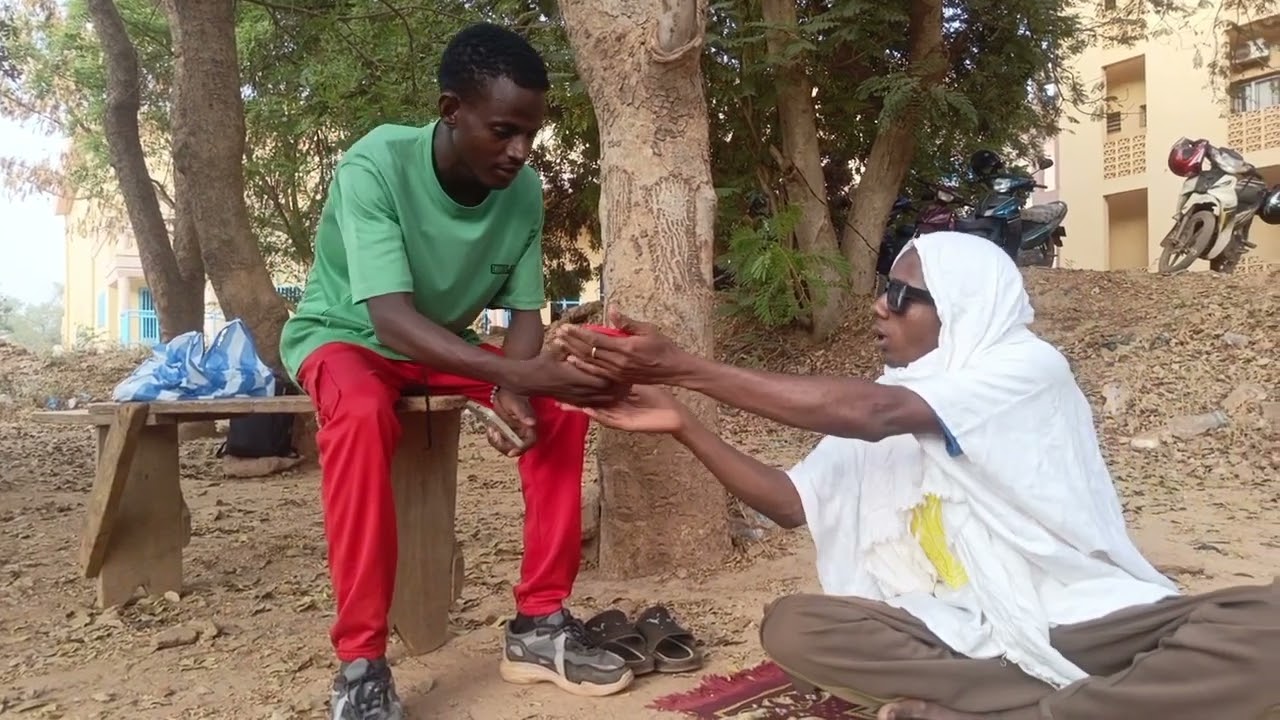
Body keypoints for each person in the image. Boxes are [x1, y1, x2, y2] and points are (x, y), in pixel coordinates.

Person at [553, 231, 1280, 720]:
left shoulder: (1020, 368)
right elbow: (790, 504)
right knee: (794, 626)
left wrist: (686, 366)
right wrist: (682, 418)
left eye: (900, 296)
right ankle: (1059, 704)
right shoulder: (891, 396)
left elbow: (873, 412)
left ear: (960, 309)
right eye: (883, 291)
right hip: (955, 630)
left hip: (1078, 613)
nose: (880, 306)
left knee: (1266, 629)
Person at [279, 23, 634, 720]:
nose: (520, 151)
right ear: (451, 111)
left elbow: (524, 314)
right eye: (504, 131)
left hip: (440, 345)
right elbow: (388, 319)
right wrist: (521, 374)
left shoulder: (521, 190)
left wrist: (516, 383)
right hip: (348, 338)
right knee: (357, 412)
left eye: (530, 133)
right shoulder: (374, 166)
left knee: (559, 406)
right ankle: (361, 664)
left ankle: (539, 621)